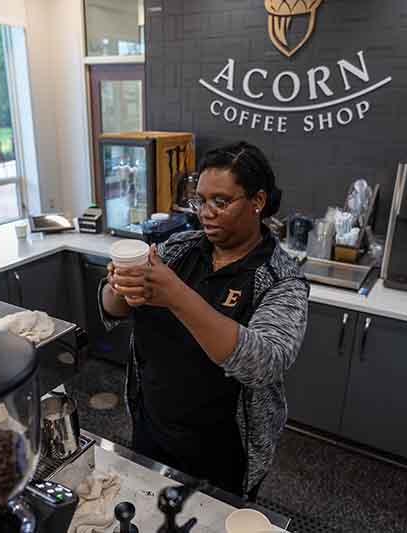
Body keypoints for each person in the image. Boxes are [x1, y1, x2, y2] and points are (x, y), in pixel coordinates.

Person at [100, 141, 309, 499]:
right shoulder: (178, 249)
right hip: (152, 427)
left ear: (257, 201)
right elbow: (112, 310)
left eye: (221, 202)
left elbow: (264, 364)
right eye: (201, 200)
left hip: (222, 451)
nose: (206, 213)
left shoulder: (280, 279)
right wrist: (120, 284)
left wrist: (176, 295)